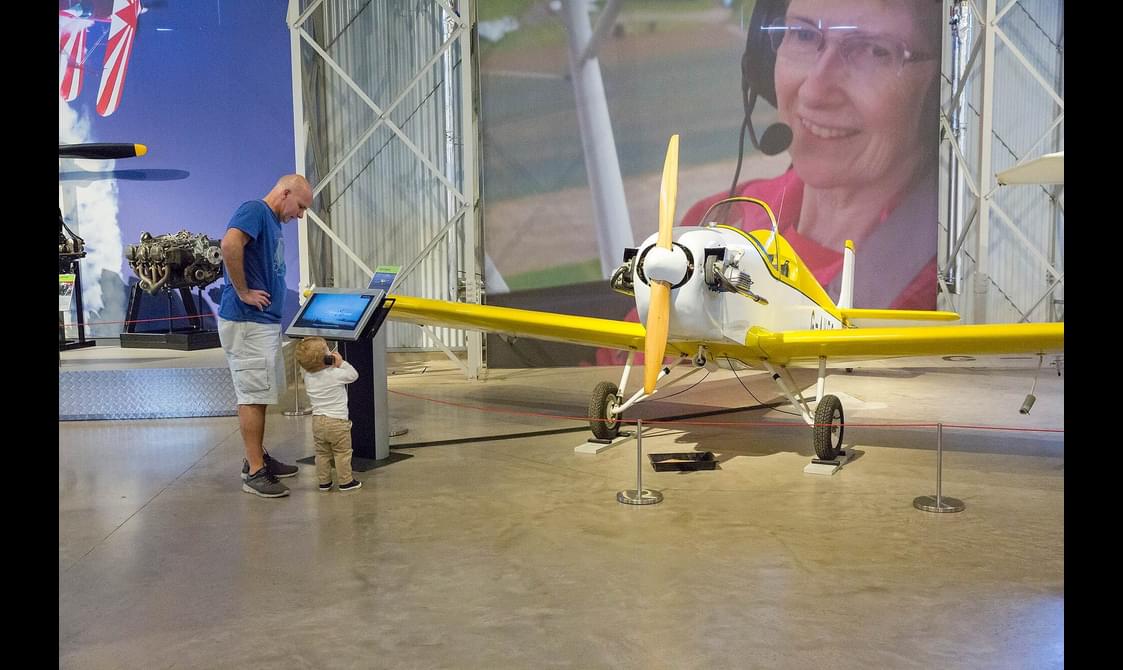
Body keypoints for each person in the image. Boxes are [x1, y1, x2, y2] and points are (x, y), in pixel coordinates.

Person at [683, 0, 942, 310]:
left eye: (874, 50)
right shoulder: (720, 218)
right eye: (803, 35)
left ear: (937, 89)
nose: (815, 92)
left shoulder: (935, 300)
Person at [218, 174, 313, 498]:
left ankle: (256, 458)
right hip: (247, 323)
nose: (299, 215)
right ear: (285, 193)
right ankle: (255, 472)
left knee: (260, 394)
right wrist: (243, 291)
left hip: (261, 324)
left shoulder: (270, 221)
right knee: (252, 396)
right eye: (300, 206)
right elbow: (229, 244)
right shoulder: (255, 211)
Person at [294, 337, 362, 492]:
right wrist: (341, 363)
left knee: (322, 453)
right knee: (342, 453)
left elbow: (309, 365)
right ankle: (345, 481)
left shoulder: (307, 376)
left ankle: (324, 482)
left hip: (317, 421)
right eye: (327, 350)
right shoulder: (335, 374)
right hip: (337, 422)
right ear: (326, 358)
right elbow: (353, 375)